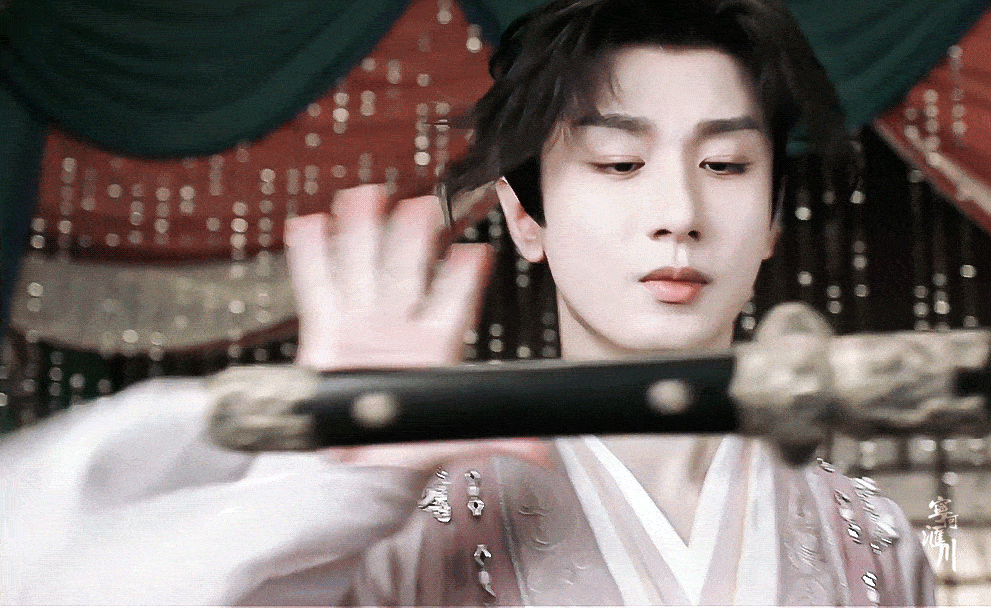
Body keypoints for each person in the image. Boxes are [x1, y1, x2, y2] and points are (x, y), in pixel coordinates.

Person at [1, 0, 933, 604]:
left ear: (771, 217)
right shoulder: (399, 508)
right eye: (618, 163)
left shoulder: (869, 536)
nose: (677, 215)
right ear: (525, 216)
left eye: (725, 165)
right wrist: (324, 493)